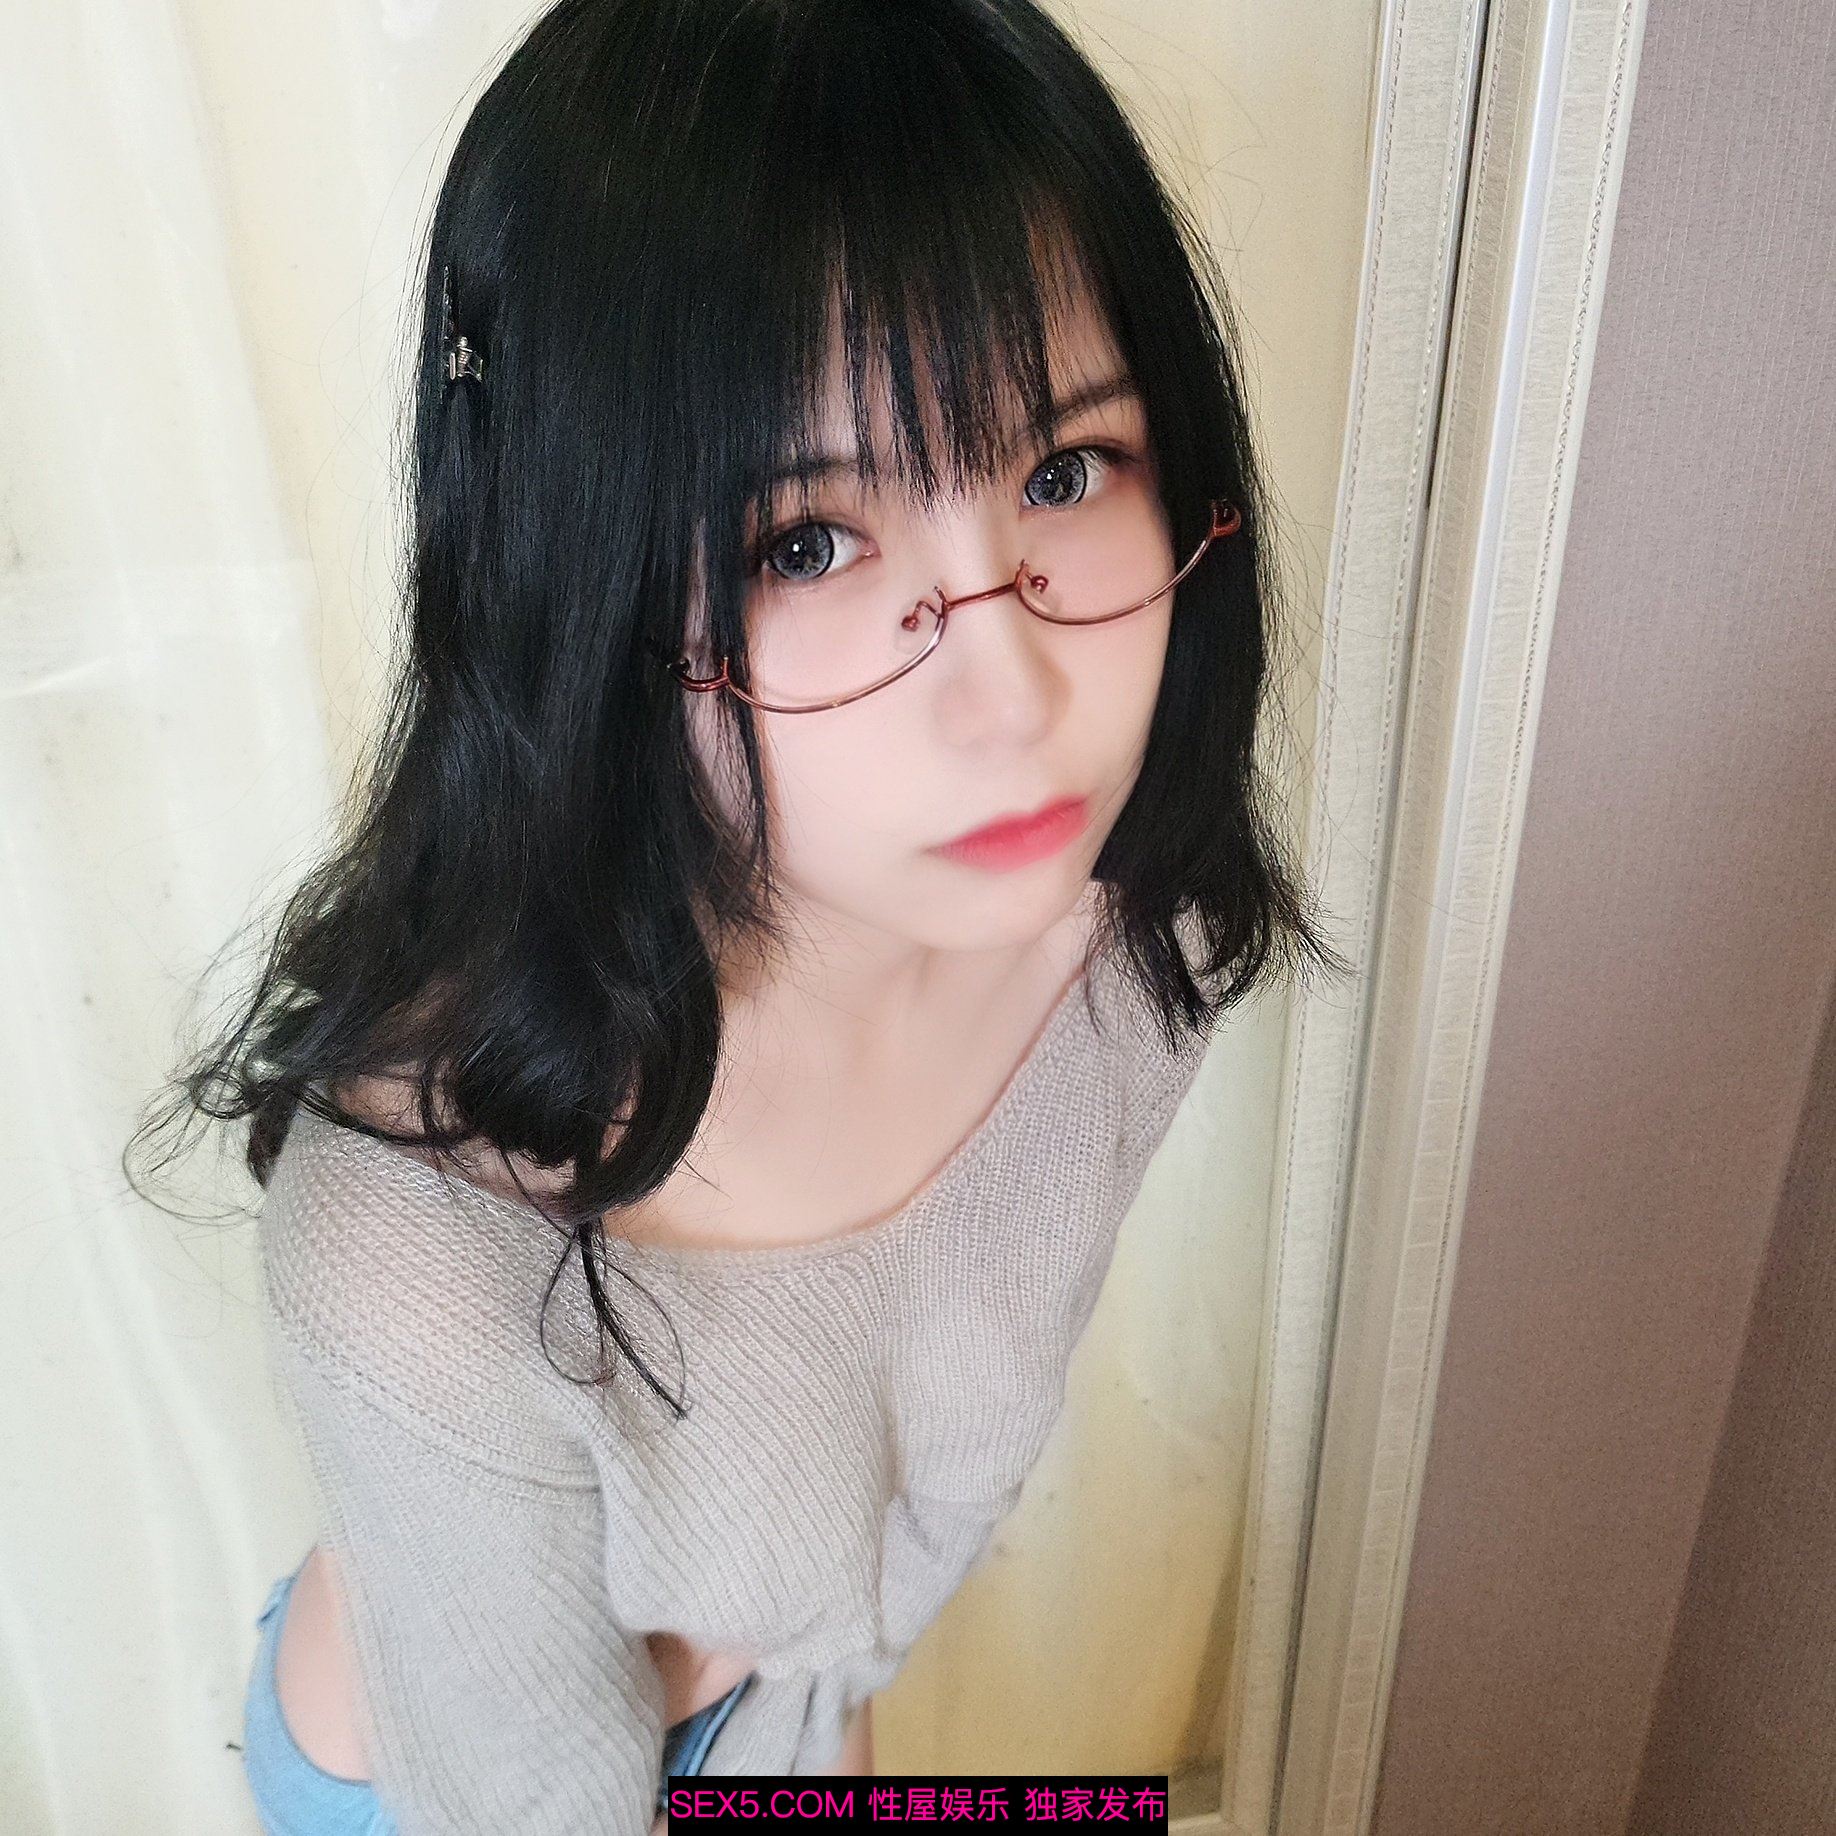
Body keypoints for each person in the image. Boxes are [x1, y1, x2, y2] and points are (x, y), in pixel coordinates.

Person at [131, 0, 1347, 1828]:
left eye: (1064, 471)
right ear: (582, 591)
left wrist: (823, 1721)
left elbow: (893, 1501)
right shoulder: (419, 1254)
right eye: (807, 543)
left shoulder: (1125, 944)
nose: (1011, 694)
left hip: (789, 1697)